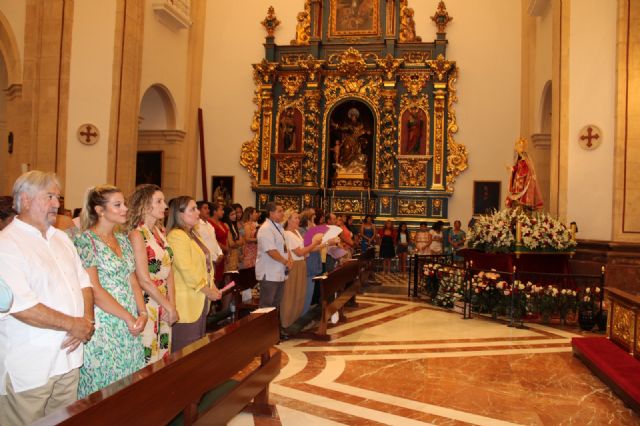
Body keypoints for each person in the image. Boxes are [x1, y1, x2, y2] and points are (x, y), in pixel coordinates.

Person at [0, 171, 94, 425]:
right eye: (50, 196)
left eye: (58, 197)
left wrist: (86, 321)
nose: (57, 203)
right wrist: (73, 325)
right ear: (26, 199)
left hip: (68, 358)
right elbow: (21, 306)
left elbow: (84, 283)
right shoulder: (8, 244)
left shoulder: (61, 238)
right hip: (31, 364)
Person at [73, 185, 146, 398]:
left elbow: (132, 279)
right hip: (105, 324)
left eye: (124, 203)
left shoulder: (123, 239)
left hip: (129, 323)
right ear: (100, 210)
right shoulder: (85, 240)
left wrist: (142, 313)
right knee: (103, 389)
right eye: (118, 205)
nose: (125, 208)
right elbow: (94, 288)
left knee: (127, 387)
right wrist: (128, 317)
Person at [127, 184, 178, 364]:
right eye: (159, 201)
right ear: (145, 205)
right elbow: (143, 279)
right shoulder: (136, 234)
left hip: (163, 300)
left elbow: (169, 270)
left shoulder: (160, 231)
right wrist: (168, 305)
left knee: (163, 354)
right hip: (147, 300)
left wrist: (172, 304)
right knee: (148, 354)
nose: (165, 206)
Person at [167, 197, 221, 353]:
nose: (198, 212)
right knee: (185, 349)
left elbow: (205, 267)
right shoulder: (176, 236)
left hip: (199, 297)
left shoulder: (191, 234)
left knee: (196, 348)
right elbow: (187, 270)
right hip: (186, 301)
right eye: (193, 209)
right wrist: (207, 289)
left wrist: (213, 286)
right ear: (180, 214)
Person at [280, 210, 321, 330]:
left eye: (298, 218)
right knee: (291, 294)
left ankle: (297, 320)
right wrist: (314, 243)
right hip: (294, 265)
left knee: (300, 294)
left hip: (302, 264)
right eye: (295, 218)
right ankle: (287, 323)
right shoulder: (287, 233)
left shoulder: (297, 232)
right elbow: (299, 251)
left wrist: (316, 245)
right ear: (288, 220)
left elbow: (304, 250)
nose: (298, 220)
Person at [255, 202, 292, 314]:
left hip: (279, 272)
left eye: (282, 211)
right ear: (271, 213)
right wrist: (286, 261)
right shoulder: (266, 228)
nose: (282, 214)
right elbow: (271, 251)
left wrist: (289, 259)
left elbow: (284, 247)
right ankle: (262, 331)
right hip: (269, 273)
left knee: (276, 303)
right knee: (266, 305)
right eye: (279, 211)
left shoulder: (279, 227)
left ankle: (273, 330)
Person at [506, 137, 543, 210]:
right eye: (519, 146)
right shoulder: (518, 156)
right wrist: (512, 168)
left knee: (523, 193)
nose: (521, 147)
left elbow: (529, 167)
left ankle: (523, 203)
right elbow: (517, 166)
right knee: (516, 191)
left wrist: (525, 173)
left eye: (522, 146)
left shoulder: (526, 156)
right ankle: (517, 202)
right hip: (518, 178)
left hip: (524, 178)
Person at [331, 107, 371, 174]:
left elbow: (365, 131)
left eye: (354, 116)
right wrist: (336, 126)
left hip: (357, 141)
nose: (353, 118)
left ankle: (354, 167)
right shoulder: (349, 125)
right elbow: (343, 128)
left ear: (356, 117)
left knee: (357, 154)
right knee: (347, 151)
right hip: (349, 140)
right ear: (350, 117)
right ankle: (344, 165)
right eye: (352, 116)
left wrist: (367, 132)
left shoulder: (360, 124)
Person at [195, 201, 224, 273]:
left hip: (215, 260)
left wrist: (220, 253)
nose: (208, 210)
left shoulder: (209, 225)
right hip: (205, 260)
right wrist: (212, 257)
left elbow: (214, 241)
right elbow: (199, 244)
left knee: (213, 282)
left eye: (208, 208)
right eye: (205, 208)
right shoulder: (196, 226)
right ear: (198, 210)